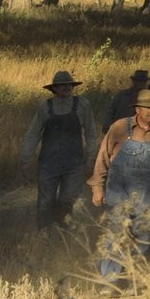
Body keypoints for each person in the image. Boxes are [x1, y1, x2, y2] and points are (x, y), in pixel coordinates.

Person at [88, 89, 150, 289]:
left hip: (148, 195)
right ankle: (109, 282)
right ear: (137, 109)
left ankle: (123, 275)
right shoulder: (120, 127)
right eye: (147, 107)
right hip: (118, 192)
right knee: (115, 234)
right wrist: (97, 187)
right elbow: (102, 157)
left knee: (142, 239)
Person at [22, 70, 98, 226]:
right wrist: (25, 159)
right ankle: (44, 236)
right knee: (45, 201)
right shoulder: (45, 107)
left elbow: (91, 133)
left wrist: (91, 158)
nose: (66, 87)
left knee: (67, 200)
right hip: (48, 164)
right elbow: (33, 134)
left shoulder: (83, 104)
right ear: (54, 89)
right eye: (61, 85)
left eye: (69, 84)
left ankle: (64, 236)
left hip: (74, 163)